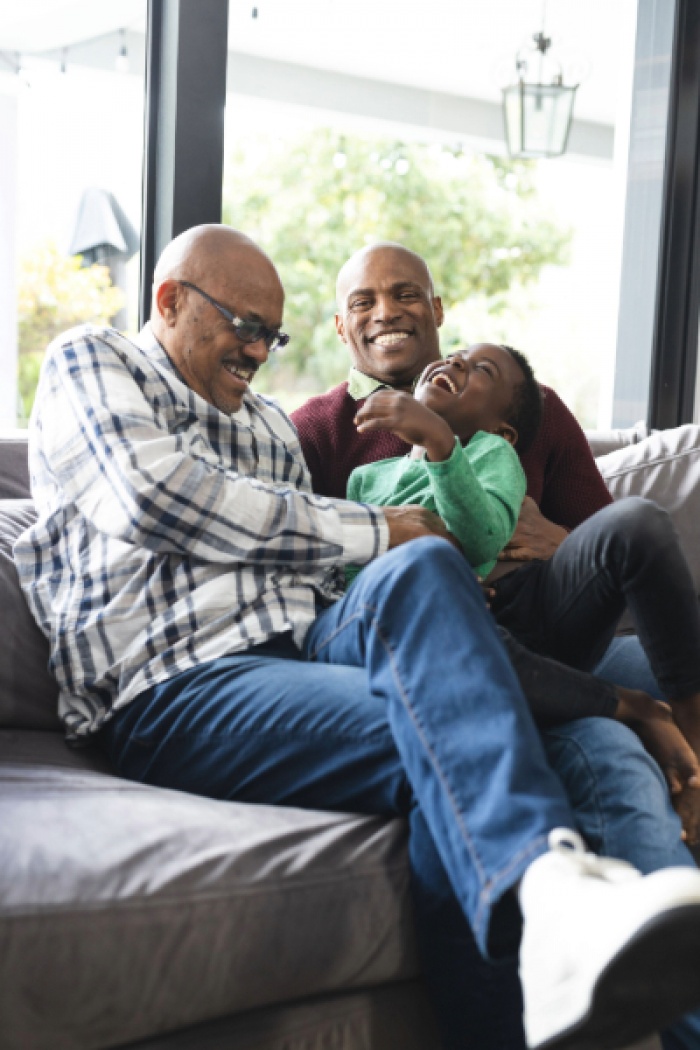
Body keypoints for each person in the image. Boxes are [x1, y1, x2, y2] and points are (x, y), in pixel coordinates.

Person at [14, 225, 700, 1050]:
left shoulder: (269, 427)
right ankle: (550, 901)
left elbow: (334, 570)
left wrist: (418, 552)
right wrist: (378, 528)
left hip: (311, 650)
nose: (259, 348)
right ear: (169, 301)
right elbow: (152, 498)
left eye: (272, 333)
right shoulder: (95, 361)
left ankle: (592, 928)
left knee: (424, 577)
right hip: (179, 681)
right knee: (461, 726)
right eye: (243, 325)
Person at [346, 342, 700, 840]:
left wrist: (443, 445)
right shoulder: (367, 479)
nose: (456, 362)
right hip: (468, 636)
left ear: (500, 429)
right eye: (456, 356)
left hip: (537, 605)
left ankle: (692, 729)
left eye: (480, 368)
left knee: (638, 521)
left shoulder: (492, 454)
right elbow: (351, 568)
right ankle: (631, 707)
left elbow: (482, 536)